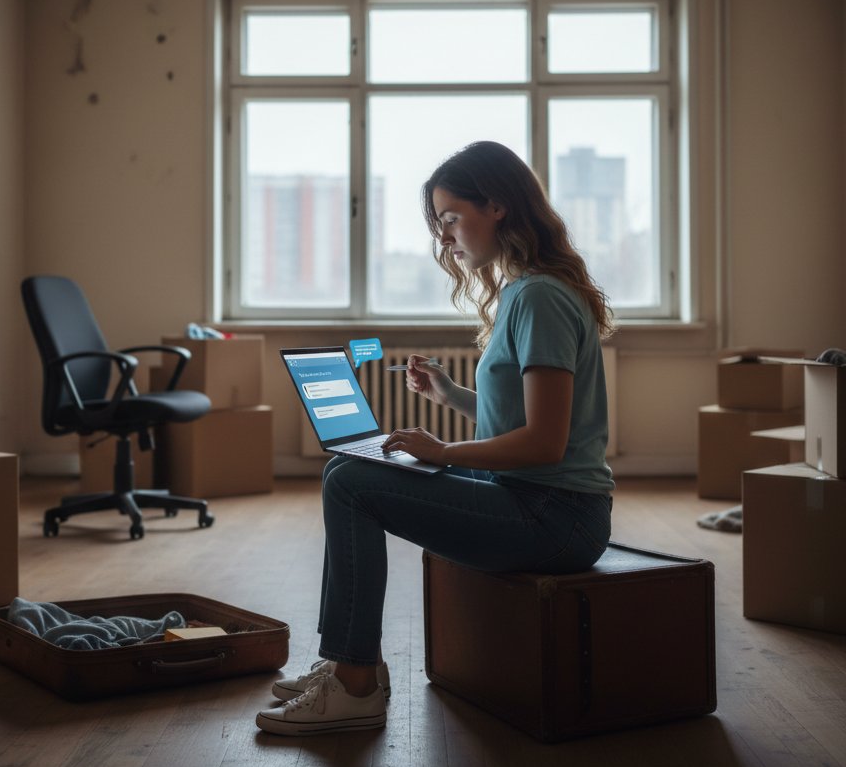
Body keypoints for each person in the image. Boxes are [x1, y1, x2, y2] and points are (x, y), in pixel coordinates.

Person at [256, 140, 616, 736]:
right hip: (539, 499)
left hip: (557, 517)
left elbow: (545, 443)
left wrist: (443, 452)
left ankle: (355, 683)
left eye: (451, 218)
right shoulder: (528, 290)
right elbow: (522, 418)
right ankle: (349, 662)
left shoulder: (539, 297)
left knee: (350, 485)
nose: (446, 238)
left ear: (496, 206)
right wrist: (451, 397)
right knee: (345, 470)